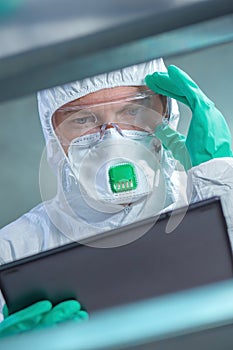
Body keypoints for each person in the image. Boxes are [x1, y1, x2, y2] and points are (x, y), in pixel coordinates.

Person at [0, 58, 233, 336]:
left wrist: (221, 185)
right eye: (83, 119)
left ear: (167, 116)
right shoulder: (13, 251)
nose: (113, 139)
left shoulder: (216, 192)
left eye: (134, 112)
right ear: (54, 137)